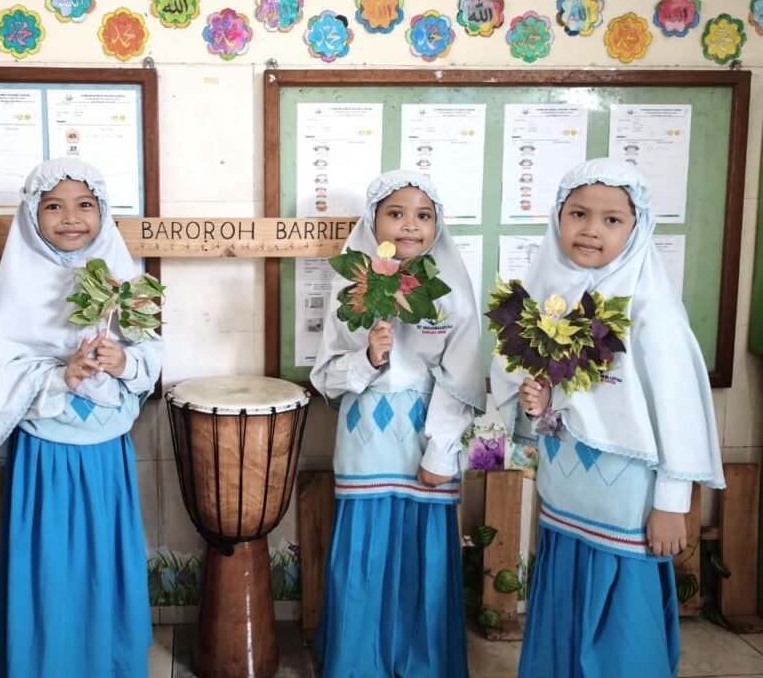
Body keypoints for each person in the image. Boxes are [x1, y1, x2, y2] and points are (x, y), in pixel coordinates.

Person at [491, 158, 725, 677]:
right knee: (563, 618)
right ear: (558, 217)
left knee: (622, 636)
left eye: (612, 219)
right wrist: (540, 406)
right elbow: (558, 404)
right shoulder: (545, 297)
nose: (591, 229)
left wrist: (671, 505)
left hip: (626, 510)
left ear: (637, 226)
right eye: (578, 213)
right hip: (565, 500)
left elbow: (678, 413)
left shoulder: (652, 310)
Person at [0, 159, 162, 678]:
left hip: (105, 449)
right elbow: (2, 369)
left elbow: (149, 352)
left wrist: (123, 361)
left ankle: (108, 660)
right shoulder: (20, 281)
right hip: (48, 450)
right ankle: (48, 662)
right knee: (50, 563)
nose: (70, 217)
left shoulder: (127, 278)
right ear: (33, 215)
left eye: (85, 204)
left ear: (103, 212)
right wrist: (62, 375)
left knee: (103, 559)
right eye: (53, 205)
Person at [310, 169, 485, 677]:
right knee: (365, 557)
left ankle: (422, 662)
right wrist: (368, 357)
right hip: (365, 447)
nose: (410, 225)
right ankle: (359, 662)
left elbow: (464, 376)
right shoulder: (354, 289)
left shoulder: (451, 290)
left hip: (426, 446)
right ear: (373, 221)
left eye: (423, 215)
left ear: (438, 224)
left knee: (422, 559)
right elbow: (326, 378)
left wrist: (440, 451)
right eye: (396, 213)